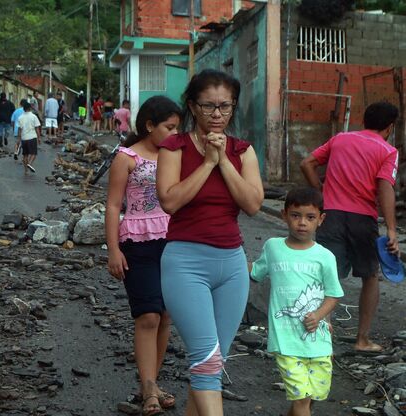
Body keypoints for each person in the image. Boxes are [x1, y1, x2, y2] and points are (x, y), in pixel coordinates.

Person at [156, 69, 264, 415]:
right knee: (205, 360)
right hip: (185, 262)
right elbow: (170, 201)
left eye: (225, 107)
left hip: (231, 265)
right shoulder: (174, 148)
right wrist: (207, 163)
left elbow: (252, 204)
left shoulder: (243, 151)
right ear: (192, 105)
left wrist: (224, 164)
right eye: (208, 107)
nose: (217, 115)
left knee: (212, 363)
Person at [300, 101, 400, 353]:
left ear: (364, 120)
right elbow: (385, 187)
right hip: (362, 219)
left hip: (330, 215)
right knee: (369, 276)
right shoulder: (388, 150)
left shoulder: (340, 139)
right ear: (389, 128)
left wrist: (320, 192)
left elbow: (307, 163)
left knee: (327, 275)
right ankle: (362, 339)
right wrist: (391, 229)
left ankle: (322, 336)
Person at [105, 96, 181, 416]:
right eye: (169, 127)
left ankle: (150, 384)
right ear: (149, 125)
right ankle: (149, 386)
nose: (175, 133)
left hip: (173, 241)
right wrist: (112, 249)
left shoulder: (175, 156)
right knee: (147, 315)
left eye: (178, 128)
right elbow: (112, 206)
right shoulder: (126, 157)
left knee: (165, 315)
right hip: (137, 243)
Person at [250, 187, 344, 416]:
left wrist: (321, 316)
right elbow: (254, 272)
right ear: (284, 215)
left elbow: (332, 295)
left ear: (320, 219)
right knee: (301, 398)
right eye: (295, 215)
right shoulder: (273, 247)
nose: (302, 223)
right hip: (285, 339)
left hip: (318, 339)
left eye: (310, 217)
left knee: (312, 395)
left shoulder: (325, 257)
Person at [16, 101, 41, 174]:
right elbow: (37, 128)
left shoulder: (20, 117)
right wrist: (39, 138)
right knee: (33, 153)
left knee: (25, 155)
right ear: (30, 108)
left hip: (24, 138)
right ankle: (29, 163)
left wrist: (18, 139)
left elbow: (19, 129)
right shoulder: (34, 116)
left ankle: (26, 171)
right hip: (32, 137)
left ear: (23, 109)